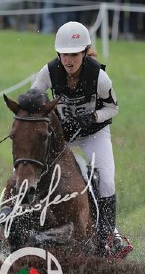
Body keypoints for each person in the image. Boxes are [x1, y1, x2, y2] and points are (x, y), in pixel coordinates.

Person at [31, 21, 130, 258]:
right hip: (63, 135)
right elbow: (33, 98)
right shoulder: (49, 72)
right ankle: (4, 226)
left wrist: (94, 116)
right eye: (64, 54)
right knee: (30, 164)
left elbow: (113, 108)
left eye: (74, 54)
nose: (68, 60)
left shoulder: (100, 77)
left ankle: (109, 237)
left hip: (94, 134)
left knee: (106, 181)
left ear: (84, 53)